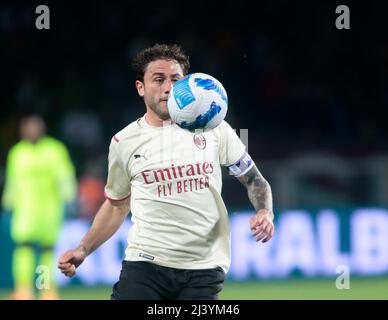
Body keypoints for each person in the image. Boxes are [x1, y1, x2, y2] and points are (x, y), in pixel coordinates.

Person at [58, 44, 274, 300]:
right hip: (146, 264)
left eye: (176, 80)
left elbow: (254, 179)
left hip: (204, 266)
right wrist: (83, 249)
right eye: (158, 79)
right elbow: (116, 204)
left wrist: (265, 211)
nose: (169, 88)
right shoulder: (123, 142)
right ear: (141, 87)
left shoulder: (214, 127)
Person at [2, 114, 77, 300]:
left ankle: (46, 290)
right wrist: (7, 203)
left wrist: (70, 198)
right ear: (23, 131)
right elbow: (12, 182)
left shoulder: (55, 150)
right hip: (25, 211)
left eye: (36, 127)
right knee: (23, 249)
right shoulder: (17, 153)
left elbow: (65, 176)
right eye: (28, 127)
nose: (32, 131)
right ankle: (24, 290)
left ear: (42, 129)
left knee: (46, 251)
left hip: (49, 211)